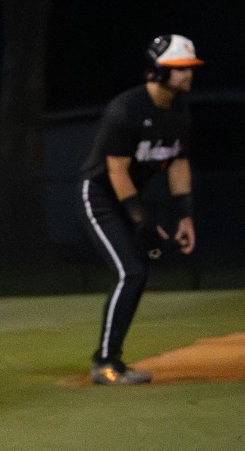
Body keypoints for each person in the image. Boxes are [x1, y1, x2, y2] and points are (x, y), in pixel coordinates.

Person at [76, 34, 202, 385]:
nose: (188, 74)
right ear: (159, 71)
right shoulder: (127, 109)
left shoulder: (179, 110)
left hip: (129, 196)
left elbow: (178, 163)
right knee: (130, 272)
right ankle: (104, 363)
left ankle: (110, 358)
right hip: (100, 196)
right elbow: (116, 172)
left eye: (190, 67)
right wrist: (142, 223)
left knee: (137, 274)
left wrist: (184, 215)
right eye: (180, 68)